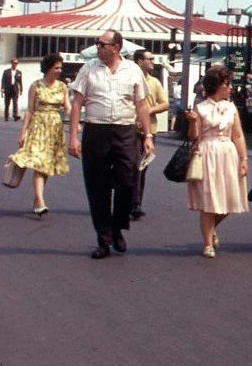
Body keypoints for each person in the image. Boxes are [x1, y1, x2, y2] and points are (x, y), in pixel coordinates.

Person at [68, 30, 154, 259]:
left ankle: (117, 227)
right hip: (96, 130)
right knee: (98, 187)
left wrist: (148, 136)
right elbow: (77, 103)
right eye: (97, 44)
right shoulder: (89, 69)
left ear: (116, 47)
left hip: (125, 131)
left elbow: (142, 105)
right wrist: (73, 136)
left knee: (127, 181)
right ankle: (104, 239)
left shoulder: (133, 70)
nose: (98, 47)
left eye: (102, 44)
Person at [185, 65, 249, 257]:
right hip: (208, 154)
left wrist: (244, 158)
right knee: (209, 201)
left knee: (229, 199)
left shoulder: (231, 108)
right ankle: (208, 244)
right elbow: (193, 137)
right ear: (217, 86)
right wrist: (192, 122)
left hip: (228, 154)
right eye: (227, 84)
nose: (231, 88)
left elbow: (238, 135)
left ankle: (211, 229)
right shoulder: (201, 108)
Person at [11, 53, 71, 215]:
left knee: (46, 165)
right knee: (39, 163)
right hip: (38, 127)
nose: (59, 71)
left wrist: (75, 122)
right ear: (48, 69)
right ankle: (40, 201)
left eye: (60, 68)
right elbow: (30, 110)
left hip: (55, 128)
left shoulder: (62, 87)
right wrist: (22, 133)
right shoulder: (36, 86)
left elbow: (67, 107)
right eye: (56, 68)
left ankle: (38, 198)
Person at [131, 50, 169, 220]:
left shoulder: (154, 82)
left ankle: (136, 203)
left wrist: (149, 111)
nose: (153, 61)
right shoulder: (131, 79)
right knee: (132, 166)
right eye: (150, 59)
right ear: (140, 61)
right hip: (130, 129)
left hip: (149, 132)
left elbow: (165, 104)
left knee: (142, 167)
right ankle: (131, 202)